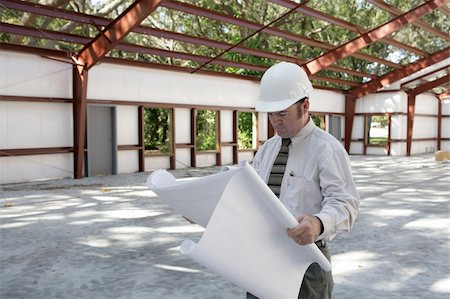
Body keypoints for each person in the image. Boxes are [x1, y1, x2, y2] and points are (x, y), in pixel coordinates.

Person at [248, 62, 360, 299]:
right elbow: (252, 196)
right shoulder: (267, 149)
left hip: (306, 263)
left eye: (282, 114)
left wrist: (319, 224)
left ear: (305, 106)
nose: (275, 121)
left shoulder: (327, 150)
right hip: (263, 258)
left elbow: (345, 203)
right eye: (270, 114)